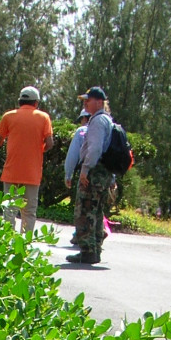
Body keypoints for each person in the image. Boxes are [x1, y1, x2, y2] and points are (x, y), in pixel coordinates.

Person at [0, 85, 54, 236]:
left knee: (9, 211)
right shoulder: (43, 117)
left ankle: (7, 243)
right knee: (29, 212)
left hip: (11, 172)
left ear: (20, 101)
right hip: (32, 174)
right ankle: (24, 246)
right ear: (36, 103)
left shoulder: (8, 116)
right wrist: (39, 150)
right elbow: (50, 143)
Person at [68, 85, 113, 265]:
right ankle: (94, 251)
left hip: (94, 172)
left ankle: (87, 251)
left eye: (89, 100)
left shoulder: (96, 121)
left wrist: (85, 170)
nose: (85, 103)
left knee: (85, 211)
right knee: (96, 211)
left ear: (99, 102)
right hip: (104, 173)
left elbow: (94, 149)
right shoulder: (108, 120)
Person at [65, 107, 90, 245]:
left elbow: (72, 156)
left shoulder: (82, 131)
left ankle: (81, 236)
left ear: (84, 118)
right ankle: (96, 236)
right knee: (96, 207)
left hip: (85, 174)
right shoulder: (106, 128)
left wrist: (68, 174)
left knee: (81, 208)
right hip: (103, 175)